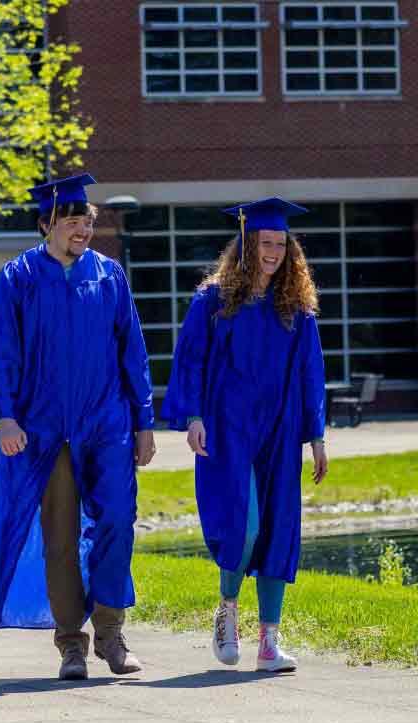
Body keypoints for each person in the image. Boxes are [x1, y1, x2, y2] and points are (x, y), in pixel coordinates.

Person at [0, 172, 156, 680]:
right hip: (44, 429)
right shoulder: (20, 277)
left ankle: (111, 635)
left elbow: (132, 353)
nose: (82, 230)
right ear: (46, 224)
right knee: (60, 537)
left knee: (118, 519)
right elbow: (2, 349)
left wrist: (144, 422)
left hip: (106, 422)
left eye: (87, 221)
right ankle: (72, 643)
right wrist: (5, 416)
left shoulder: (109, 276)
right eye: (72, 221)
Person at [163, 198, 329, 673]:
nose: (274, 252)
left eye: (281, 244)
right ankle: (227, 611)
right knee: (246, 523)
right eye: (265, 243)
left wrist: (315, 434)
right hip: (227, 426)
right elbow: (189, 360)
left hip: (279, 427)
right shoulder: (213, 300)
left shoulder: (295, 306)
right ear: (247, 244)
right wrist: (192, 416)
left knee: (277, 527)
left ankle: (269, 642)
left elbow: (309, 372)